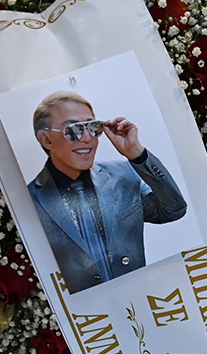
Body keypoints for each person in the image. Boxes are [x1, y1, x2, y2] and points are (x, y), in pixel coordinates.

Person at [29, 91, 187, 293]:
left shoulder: (123, 175)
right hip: (86, 311)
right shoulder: (31, 200)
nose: (87, 138)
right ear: (46, 139)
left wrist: (137, 154)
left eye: (93, 127)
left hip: (141, 297)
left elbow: (173, 210)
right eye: (74, 130)